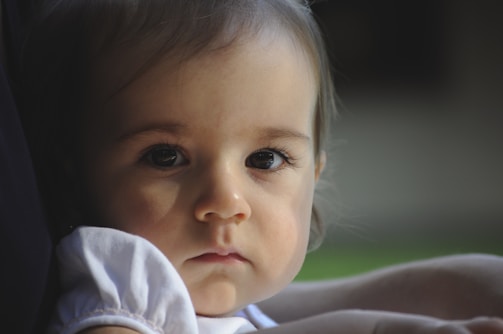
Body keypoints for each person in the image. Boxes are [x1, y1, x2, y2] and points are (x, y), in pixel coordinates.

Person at [17, 0, 503, 333]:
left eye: (265, 159)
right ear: (73, 175)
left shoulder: (211, 304)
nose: (225, 202)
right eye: (166, 156)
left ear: (313, 175)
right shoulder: (122, 293)